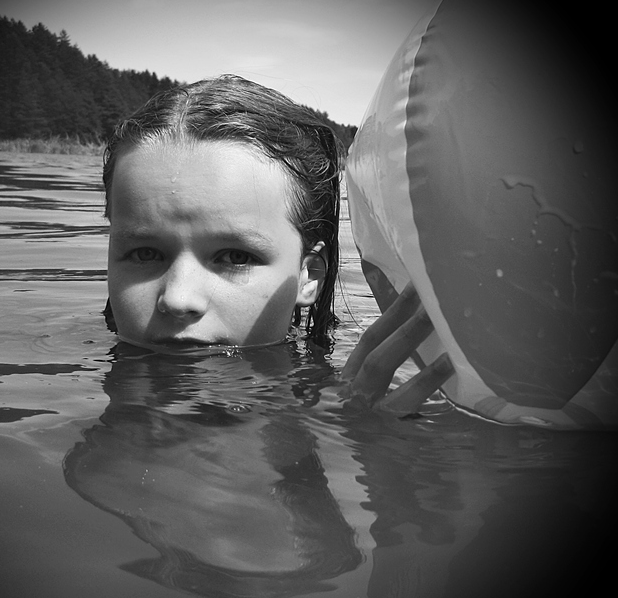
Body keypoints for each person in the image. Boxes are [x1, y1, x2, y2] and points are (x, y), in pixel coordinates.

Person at [102, 74, 453, 415]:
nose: (178, 299)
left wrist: (356, 438)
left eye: (236, 257)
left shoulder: (342, 412)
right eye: (145, 254)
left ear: (308, 276)